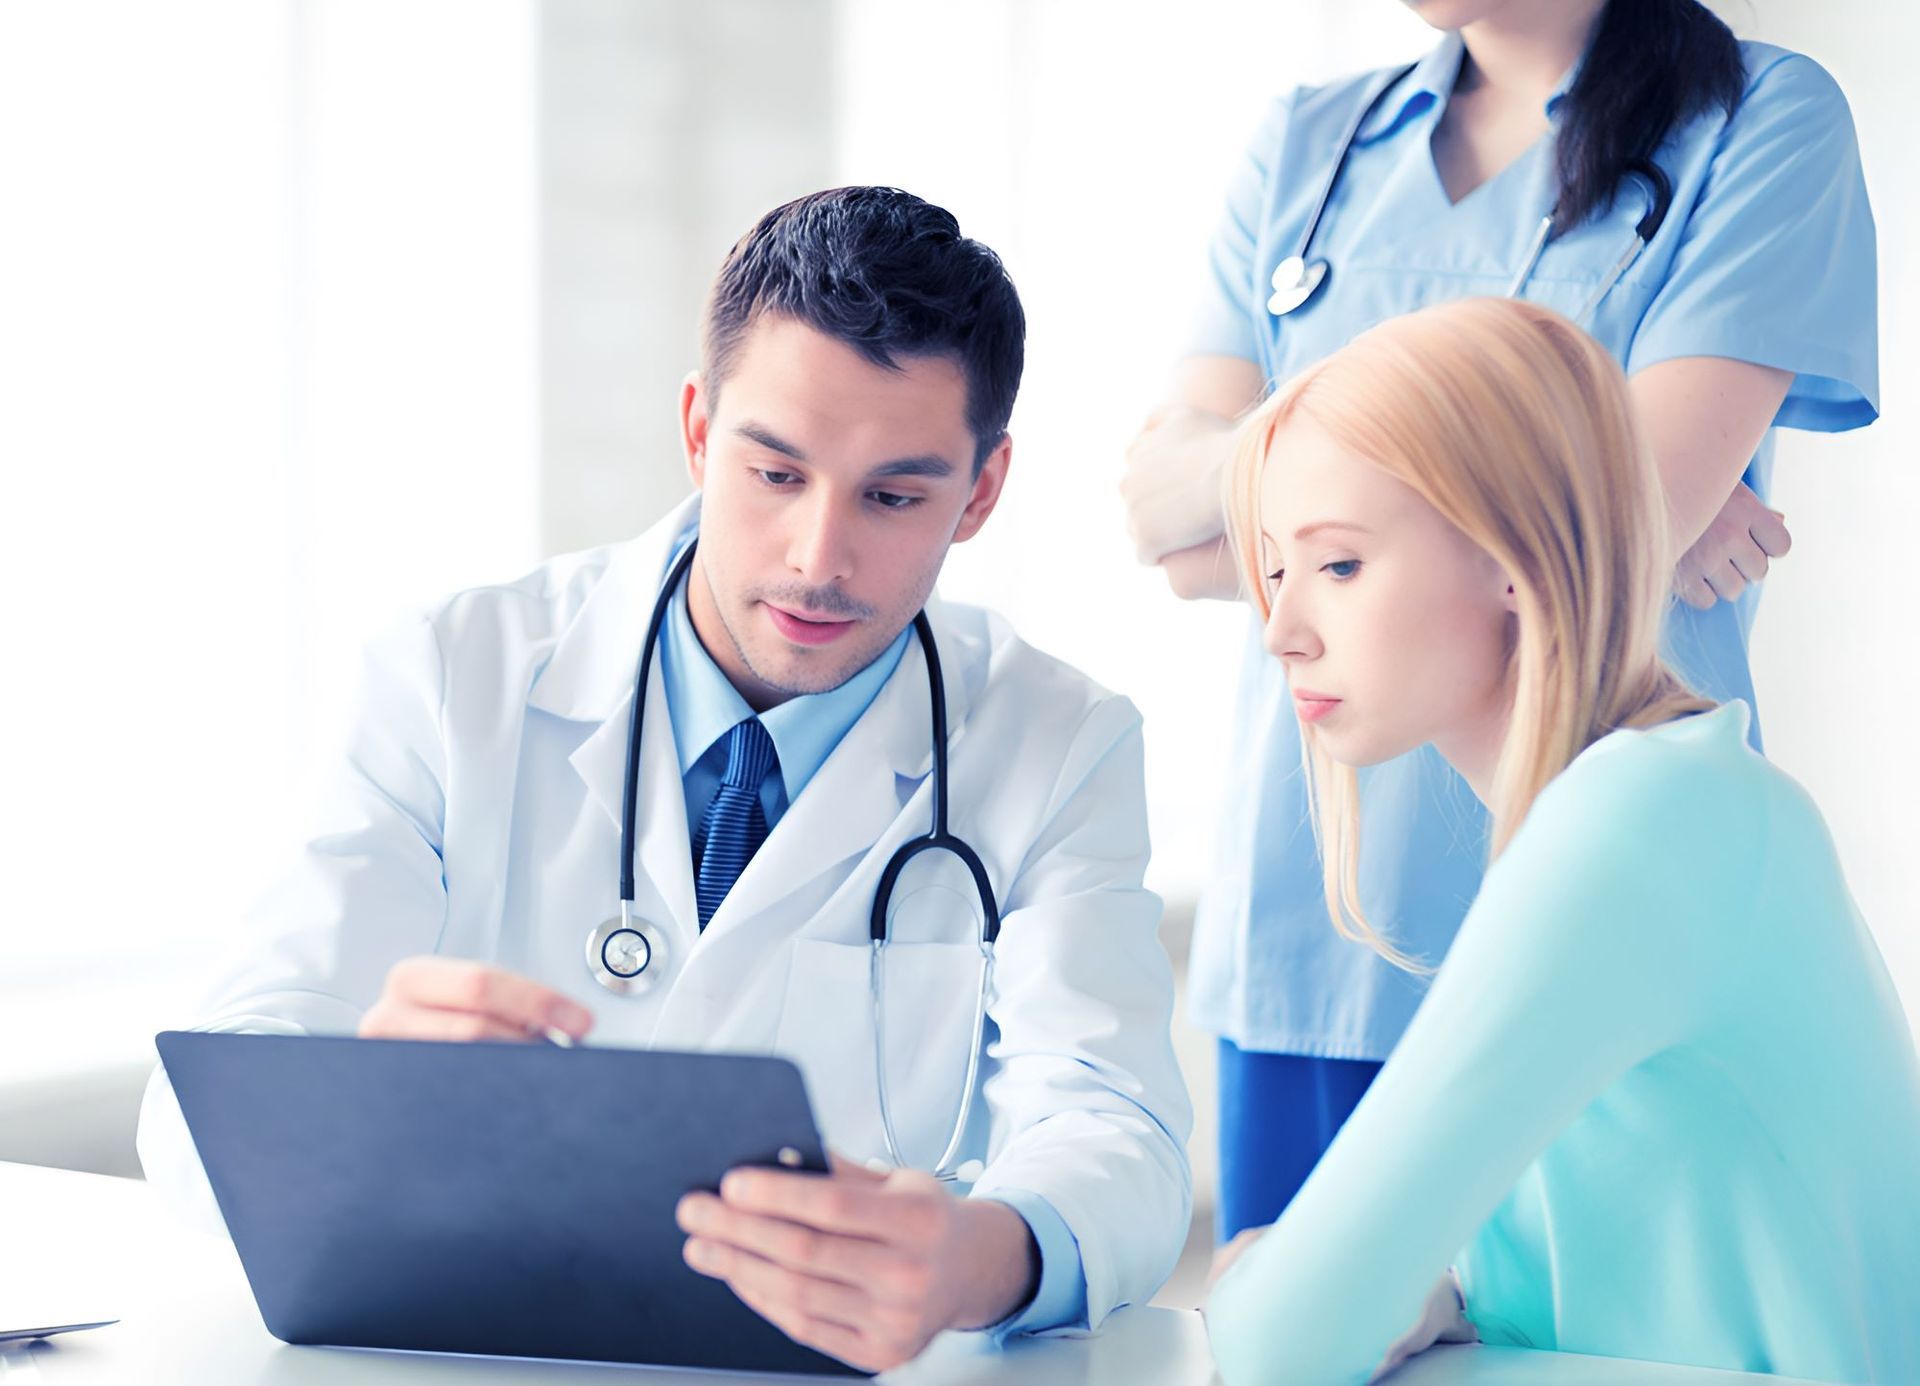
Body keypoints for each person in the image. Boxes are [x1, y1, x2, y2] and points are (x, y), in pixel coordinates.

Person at [136, 186, 1192, 1374]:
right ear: (698, 431)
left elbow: (1119, 1135)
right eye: (774, 474)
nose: (818, 557)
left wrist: (977, 1255)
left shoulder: (1058, 743)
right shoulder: (452, 675)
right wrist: (360, 1102)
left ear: (982, 492)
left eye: (895, 497)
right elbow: (201, 1104)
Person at [1121, 0, 1879, 1241]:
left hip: (1600, 911)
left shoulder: (1761, 118)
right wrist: (1557, 481)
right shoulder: (1310, 143)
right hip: (1315, 918)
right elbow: (1174, 531)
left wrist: (1263, 471)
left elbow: (1621, 525)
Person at [1200, 296, 1920, 1385]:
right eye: (1276, 569)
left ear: (1510, 552)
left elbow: (1278, 1339)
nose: (1281, 629)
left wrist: (1273, 1283)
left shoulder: (1644, 822)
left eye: (1338, 565)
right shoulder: (1662, 800)